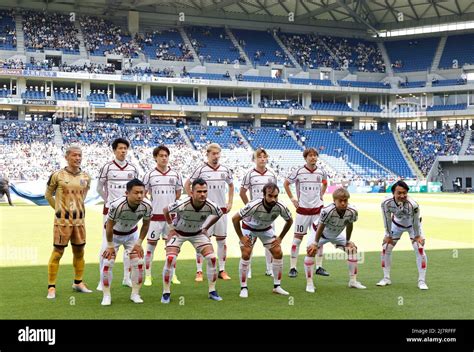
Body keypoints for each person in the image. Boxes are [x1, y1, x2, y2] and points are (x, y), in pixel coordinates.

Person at [161, 178, 224, 304]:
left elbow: (220, 213)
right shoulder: (183, 203)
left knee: (212, 258)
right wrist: (171, 227)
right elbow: (165, 210)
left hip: (197, 233)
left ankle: (212, 291)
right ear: (192, 192)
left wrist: (206, 228)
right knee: (170, 259)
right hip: (179, 233)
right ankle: (166, 292)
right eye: (199, 191)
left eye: (205, 191)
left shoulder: (211, 205)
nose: (202, 194)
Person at [44, 145, 92, 299]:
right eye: (74, 155)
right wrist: (58, 210)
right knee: (58, 252)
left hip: (79, 221)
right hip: (62, 222)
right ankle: (51, 287)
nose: (78, 158)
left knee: (79, 251)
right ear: (67, 157)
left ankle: (78, 282)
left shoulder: (85, 177)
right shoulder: (57, 175)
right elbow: (48, 195)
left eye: (80, 155)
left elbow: (82, 197)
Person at [232, 182, 293, 298]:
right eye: (270, 196)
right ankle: (243, 287)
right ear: (264, 195)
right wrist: (241, 237)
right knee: (246, 253)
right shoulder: (254, 205)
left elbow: (289, 220)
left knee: (278, 252)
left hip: (265, 229)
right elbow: (235, 219)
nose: (273, 199)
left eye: (275, 196)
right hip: (249, 228)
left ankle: (277, 286)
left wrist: (280, 237)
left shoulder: (280, 206)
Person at [185, 143, 234, 281]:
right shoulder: (200, 170)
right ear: (207, 154)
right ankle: (199, 271)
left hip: (221, 211)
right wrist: (193, 200)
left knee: (222, 241)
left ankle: (222, 270)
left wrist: (229, 202)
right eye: (213, 153)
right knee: (201, 240)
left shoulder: (225, 169)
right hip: (204, 211)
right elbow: (187, 184)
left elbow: (231, 185)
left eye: (218, 153)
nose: (216, 156)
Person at [96, 138, 140, 291]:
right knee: (105, 246)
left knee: (129, 247)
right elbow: (99, 188)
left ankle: (126, 278)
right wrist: (109, 203)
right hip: (111, 212)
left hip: (129, 212)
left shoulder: (133, 168)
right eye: (120, 148)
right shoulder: (107, 167)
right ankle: (102, 281)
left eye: (125, 148)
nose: (123, 151)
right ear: (114, 150)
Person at [101, 178, 152, 305]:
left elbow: (146, 225)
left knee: (139, 262)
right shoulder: (116, 205)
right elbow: (109, 225)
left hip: (131, 234)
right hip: (113, 234)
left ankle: (135, 294)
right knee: (107, 263)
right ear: (127, 193)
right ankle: (106, 296)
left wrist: (139, 243)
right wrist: (110, 245)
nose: (140, 195)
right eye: (136, 192)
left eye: (142, 192)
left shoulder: (147, 205)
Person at [306, 188, 366, 293]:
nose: (343, 203)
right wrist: (315, 243)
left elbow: (349, 225)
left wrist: (348, 241)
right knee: (310, 251)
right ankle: (309, 283)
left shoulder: (352, 211)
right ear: (334, 201)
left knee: (352, 249)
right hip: (319, 234)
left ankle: (353, 281)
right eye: (340, 201)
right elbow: (321, 226)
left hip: (336, 234)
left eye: (345, 200)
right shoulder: (327, 210)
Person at [284, 148, 328, 278]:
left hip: (318, 211)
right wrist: (293, 199)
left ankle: (319, 266)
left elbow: (325, 183)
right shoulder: (298, 171)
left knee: (318, 240)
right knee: (297, 240)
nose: (313, 158)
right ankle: (293, 267)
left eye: (315, 155)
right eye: (310, 156)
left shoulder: (321, 171)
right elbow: (286, 183)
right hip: (302, 211)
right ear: (305, 158)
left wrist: (321, 195)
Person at [142, 146, 183, 286]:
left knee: (171, 247)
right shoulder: (149, 175)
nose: (164, 158)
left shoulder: (176, 174)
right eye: (161, 155)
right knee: (150, 247)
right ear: (155, 157)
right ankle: (148, 275)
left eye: (166, 155)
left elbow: (178, 193)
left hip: (170, 219)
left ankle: (172, 274)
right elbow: (143, 193)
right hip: (154, 217)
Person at [378, 180, 428, 290]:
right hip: (396, 224)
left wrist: (418, 235)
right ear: (393, 193)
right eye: (399, 193)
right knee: (386, 248)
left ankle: (421, 281)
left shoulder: (413, 205)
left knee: (419, 249)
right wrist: (388, 234)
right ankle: (386, 278)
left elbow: (416, 221)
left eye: (404, 193)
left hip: (412, 226)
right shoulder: (386, 203)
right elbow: (386, 218)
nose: (402, 195)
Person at [239, 148, 277, 278]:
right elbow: (242, 192)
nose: (262, 159)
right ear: (254, 159)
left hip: (269, 214)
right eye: (259, 157)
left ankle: (269, 268)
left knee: (270, 243)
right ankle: (248, 269)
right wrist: (249, 207)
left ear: (267, 158)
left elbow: (275, 193)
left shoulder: (272, 174)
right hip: (254, 214)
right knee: (250, 242)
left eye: (264, 156)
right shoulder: (249, 174)